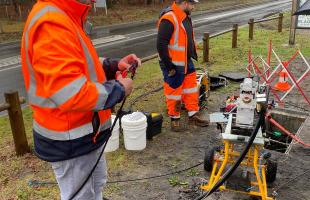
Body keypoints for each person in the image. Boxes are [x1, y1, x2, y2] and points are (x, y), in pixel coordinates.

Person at [21, 0, 141, 199]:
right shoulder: (52, 23)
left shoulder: (66, 15)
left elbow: (80, 64)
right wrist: (119, 89)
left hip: (84, 135)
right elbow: (71, 94)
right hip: (70, 139)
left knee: (96, 186)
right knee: (82, 195)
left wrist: (112, 66)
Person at [157, 0, 209, 132]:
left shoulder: (185, 17)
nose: (193, 7)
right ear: (185, 3)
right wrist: (169, 67)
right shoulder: (169, 18)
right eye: (192, 4)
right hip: (173, 64)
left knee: (190, 88)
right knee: (174, 92)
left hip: (186, 61)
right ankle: (175, 119)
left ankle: (193, 115)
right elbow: (161, 45)